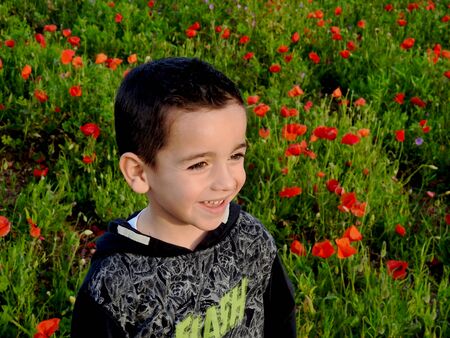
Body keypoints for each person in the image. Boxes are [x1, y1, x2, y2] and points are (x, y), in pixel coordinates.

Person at [71, 57, 296, 337]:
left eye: (235, 155)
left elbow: (280, 320)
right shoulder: (114, 287)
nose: (226, 181)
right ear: (139, 172)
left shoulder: (251, 239)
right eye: (199, 164)